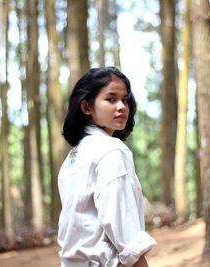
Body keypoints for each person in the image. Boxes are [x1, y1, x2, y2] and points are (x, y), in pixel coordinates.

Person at [57, 66, 156, 267]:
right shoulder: (111, 151)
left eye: (125, 100)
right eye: (111, 99)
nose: (122, 107)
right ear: (87, 107)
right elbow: (125, 234)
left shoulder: (73, 157)